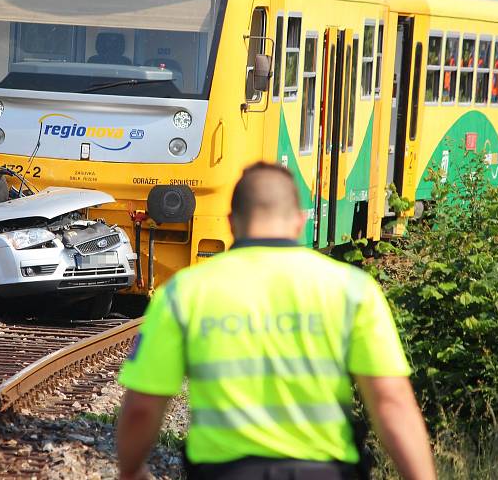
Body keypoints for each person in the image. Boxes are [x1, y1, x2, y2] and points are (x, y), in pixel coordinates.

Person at [116, 162, 435, 480]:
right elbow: (391, 402)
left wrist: (131, 470)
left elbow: (143, 406)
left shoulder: (183, 293)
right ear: (299, 222)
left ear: (231, 223)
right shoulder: (354, 290)